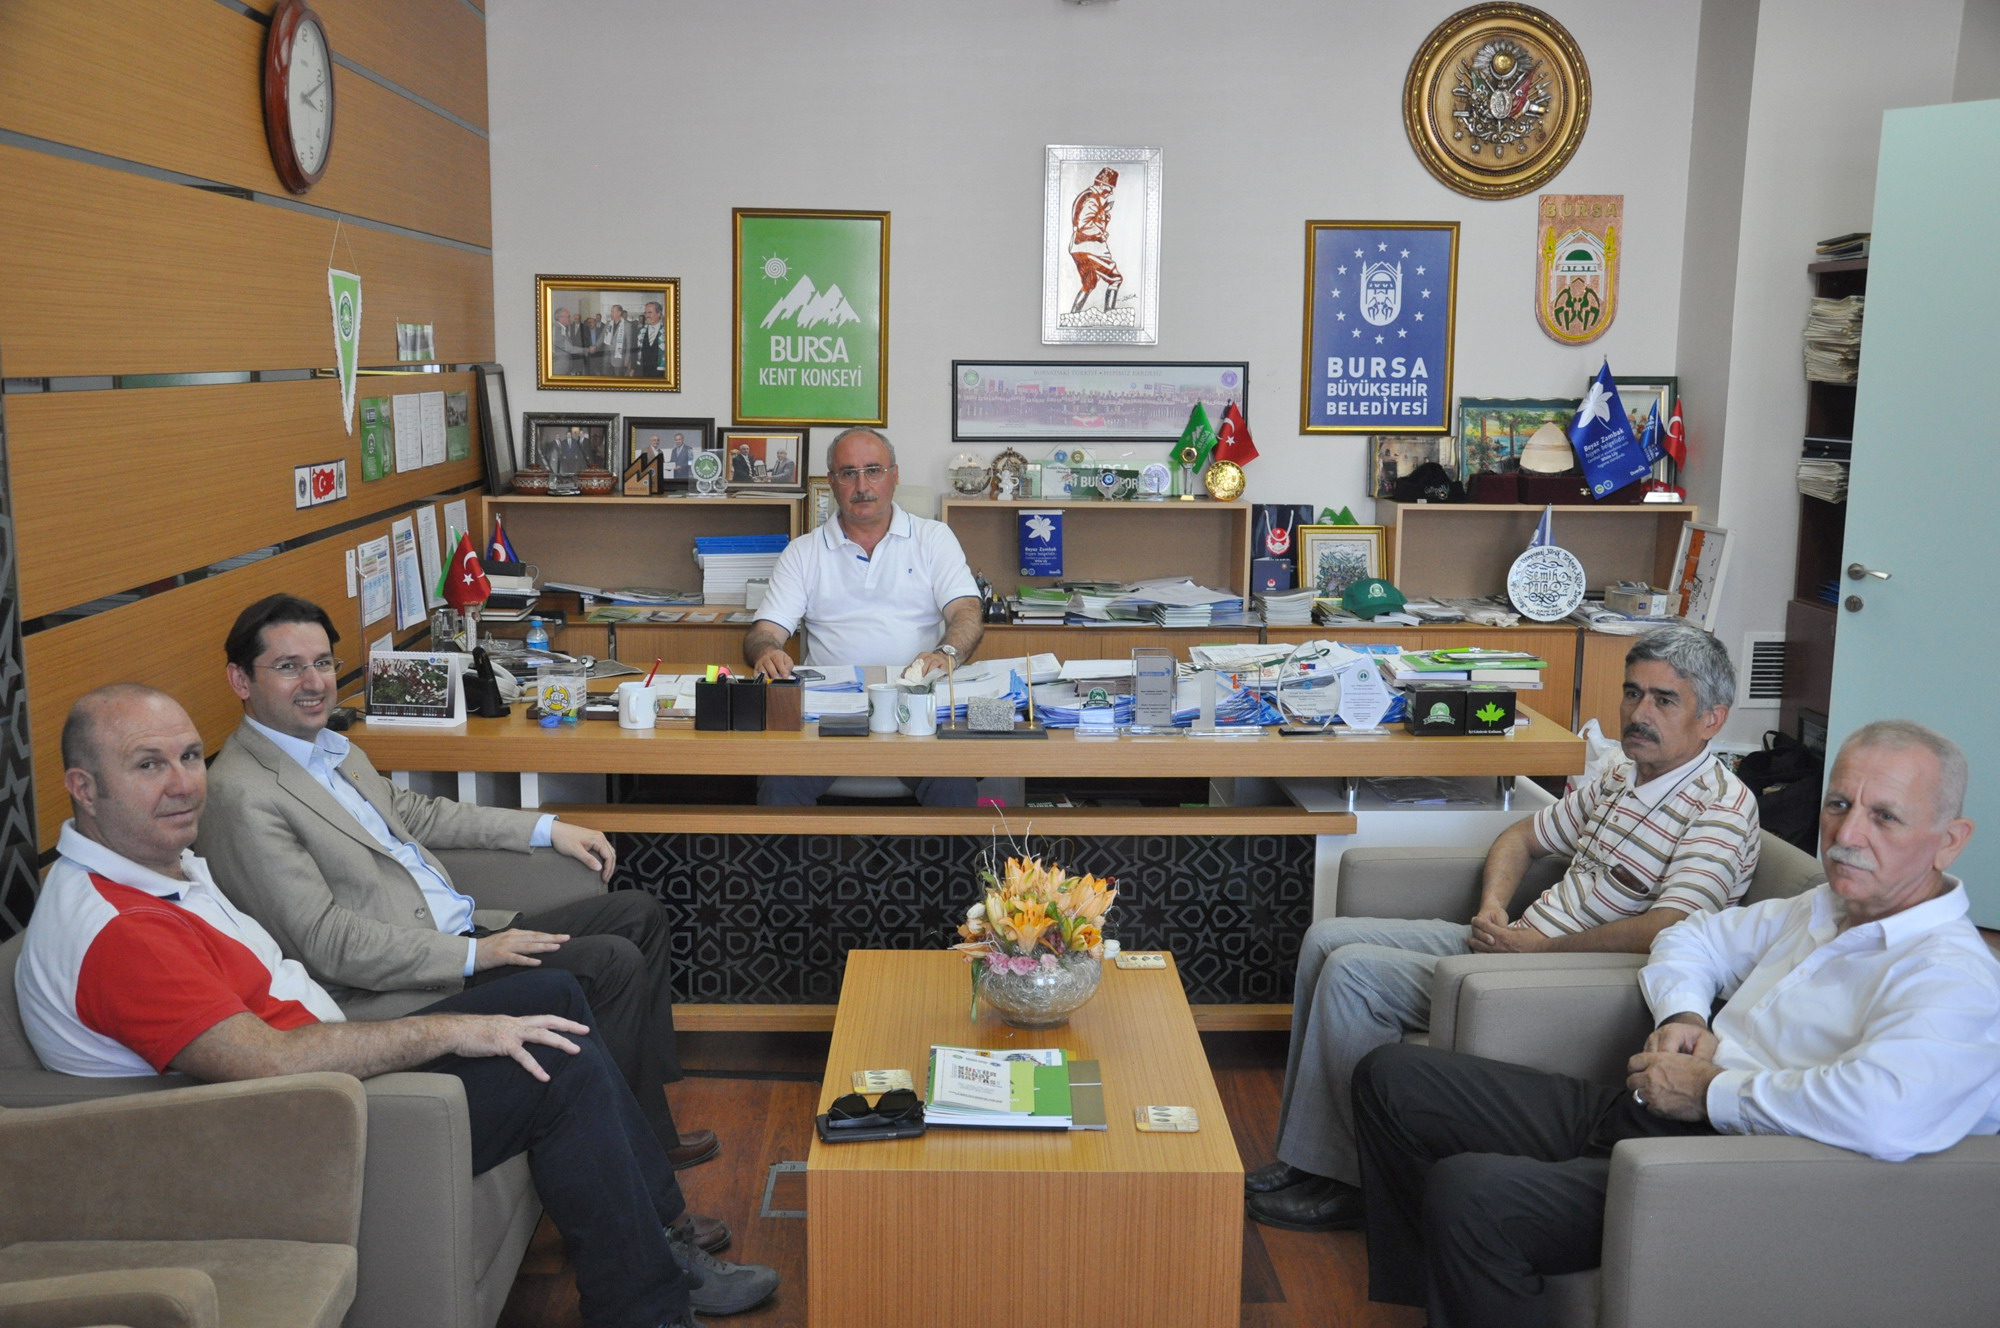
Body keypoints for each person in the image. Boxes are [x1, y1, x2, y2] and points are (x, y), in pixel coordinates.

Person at [15, 685, 784, 1326]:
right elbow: (266, 1060)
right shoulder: (122, 930)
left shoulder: (156, 871)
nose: (184, 783)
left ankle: (661, 1238)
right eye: (148, 765)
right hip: (300, 1127)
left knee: (557, 994)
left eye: (189, 757)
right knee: (554, 1055)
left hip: (317, 1076)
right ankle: (646, 1308)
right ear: (84, 787)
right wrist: (455, 1028)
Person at [1353, 720, 2000, 1328]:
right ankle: (1440, 1292)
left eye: (1884, 816)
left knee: (1471, 1193)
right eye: (1838, 805)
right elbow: (1693, 937)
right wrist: (1685, 1012)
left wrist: (1711, 1090)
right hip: (1656, 1107)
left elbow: (1885, 1111)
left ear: (1950, 840)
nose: (1848, 833)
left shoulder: (1951, 977)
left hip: (1723, 1170)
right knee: (1393, 1078)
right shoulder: (1823, 906)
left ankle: (1471, 1272)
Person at [196, 596, 725, 1189]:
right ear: (240, 680)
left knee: (638, 914)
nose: (315, 682)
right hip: (409, 978)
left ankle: (644, 1123)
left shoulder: (331, 750)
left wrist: (547, 828)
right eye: (289, 667)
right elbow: (326, 942)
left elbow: (418, 813)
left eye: (322, 663)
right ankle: (635, 1156)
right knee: (610, 961)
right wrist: (475, 954)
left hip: (464, 933)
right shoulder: (242, 796)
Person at [1247, 624, 1760, 1232]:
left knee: (1354, 974)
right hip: (1518, 942)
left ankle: (1350, 1183)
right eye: (1632, 693)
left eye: (1663, 700)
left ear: (1712, 719)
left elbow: (1671, 926)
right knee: (1325, 938)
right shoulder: (1623, 775)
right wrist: (1493, 906)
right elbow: (1522, 836)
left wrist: (1543, 947)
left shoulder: (1721, 809)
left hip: (1563, 977)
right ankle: (1308, 1159)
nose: (1638, 713)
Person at [744, 428, 984, 807]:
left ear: (895, 475)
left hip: (916, 708)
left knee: (955, 783)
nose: (862, 486)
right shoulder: (803, 552)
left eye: (873, 470)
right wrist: (766, 652)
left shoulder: (933, 538)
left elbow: (967, 612)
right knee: (778, 784)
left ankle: (945, 854)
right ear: (832, 481)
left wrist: (947, 653)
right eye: (848, 473)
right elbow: (764, 632)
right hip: (829, 714)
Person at [1067, 166, 1123, 315]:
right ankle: (1110, 316)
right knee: (1115, 279)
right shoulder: (1092, 198)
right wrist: (1100, 234)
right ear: (1102, 184)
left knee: (1089, 283)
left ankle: (1073, 316)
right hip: (1089, 248)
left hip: (1079, 248)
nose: (1110, 192)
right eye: (1109, 188)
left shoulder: (1090, 196)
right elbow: (1084, 225)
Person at [635, 300, 668, 377]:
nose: (647, 315)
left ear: (659, 314)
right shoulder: (640, 331)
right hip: (643, 372)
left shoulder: (667, 332)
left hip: (661, 373)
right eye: (645, 313)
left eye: (650, 312)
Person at [602, 303, 636, 377]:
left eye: (612, 312)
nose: (611, 314)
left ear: (619, 313)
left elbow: (629, 344)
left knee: (618, 378)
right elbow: (602, 337)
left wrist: (627, 359)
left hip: (619, 359)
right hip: (607, 358)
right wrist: (595, 346)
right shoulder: (609, 323)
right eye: (611, 312)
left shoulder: (627, 325)